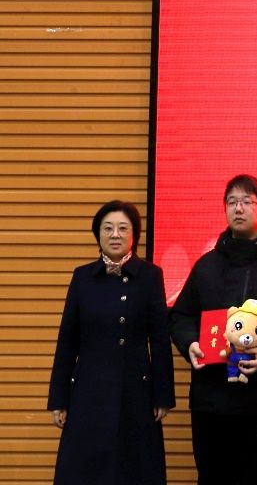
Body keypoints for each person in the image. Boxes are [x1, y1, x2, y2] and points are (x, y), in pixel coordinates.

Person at [169, 174, 257, 485]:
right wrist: (190, 343)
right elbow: (180, 316)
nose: (238, 208)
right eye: (232, 202)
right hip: (209, 401)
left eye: (247, 201)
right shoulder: (206, 266)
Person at [48, 200, 174, 485]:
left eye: (122, 228)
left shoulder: (150, 276)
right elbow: (67, 340)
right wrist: (59, 399)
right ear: (98, 234)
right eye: (107, 228)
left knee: (134, 470)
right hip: (88, 393)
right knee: (86, 471)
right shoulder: (82, 277)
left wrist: (162, 396)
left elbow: (159, 339)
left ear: (134, 235)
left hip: (136, 393)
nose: (115, 234)